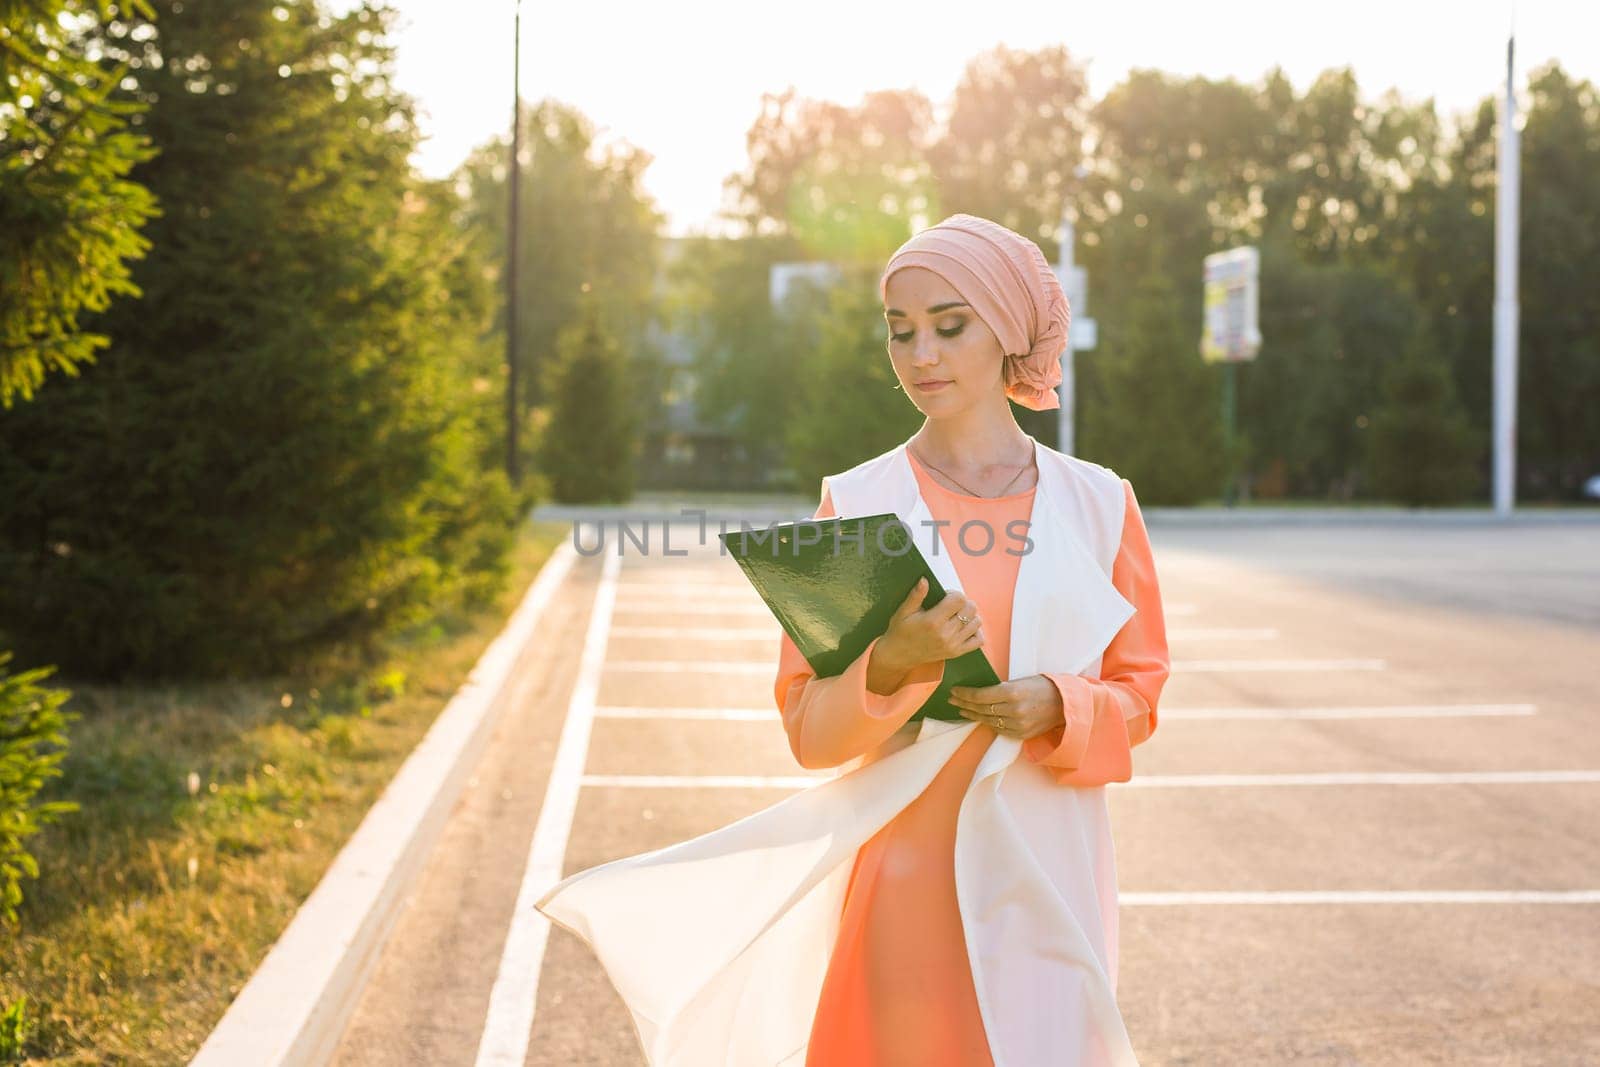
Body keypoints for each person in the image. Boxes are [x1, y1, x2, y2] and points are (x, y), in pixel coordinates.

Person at [536, 213, 1171, 1067]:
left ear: (1009, 331)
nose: (921, 356)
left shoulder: (1100, 504)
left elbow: (1139, 695)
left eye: (950, 327)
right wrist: (894, 662)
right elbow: (808, 730)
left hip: (1048, 871)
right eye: (900, 332)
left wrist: (1058, 703)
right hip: (904, 880)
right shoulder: (858, 501)